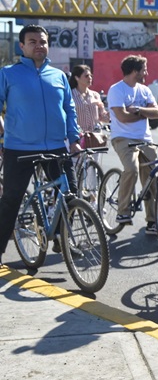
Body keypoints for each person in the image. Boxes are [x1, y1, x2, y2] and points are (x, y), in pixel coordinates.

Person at [0, 25, 81, 265]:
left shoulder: (59, 76)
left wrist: (74, 139)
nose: (39, 45)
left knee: (69, 194)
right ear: (22, 46)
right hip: (19, 147)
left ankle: (59, 236)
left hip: (56, 146)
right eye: (33, 41)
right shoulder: (8, 73)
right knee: (11, 200)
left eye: (43, 41)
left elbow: (70, 108)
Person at [108, 55, 158, 236]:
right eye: (144, 70)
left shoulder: (145, 90)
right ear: (134, 71)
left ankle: (153, 221)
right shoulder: (116, 90)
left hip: (145, 139)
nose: (146, 73)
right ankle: (123, 210)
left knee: (153, 177)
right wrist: (145, 114)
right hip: (123, 138)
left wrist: (139, 110)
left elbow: (157, 113)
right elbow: (122, 117)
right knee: (131, 169)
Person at [69, 64, 109, 146]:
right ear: (77, 78)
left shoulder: (95, 95)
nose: (90, 78)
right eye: (86, 76)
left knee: (94, 159)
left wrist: (107, 114)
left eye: (91, 75)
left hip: (95, 137)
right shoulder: (70, 95)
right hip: (78, 138)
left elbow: (103, 118)